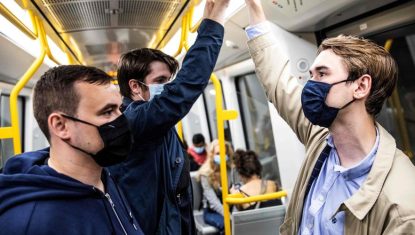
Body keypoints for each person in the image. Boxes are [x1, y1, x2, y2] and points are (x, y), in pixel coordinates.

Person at [244, 1, 415, 234]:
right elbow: (278, 82)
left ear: (360, 86)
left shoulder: (402, 203)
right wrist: (254, 9)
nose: (310, 86)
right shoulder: (320, 137)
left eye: (322, 74)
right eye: (310, 75)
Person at [107, 1, 231, 234]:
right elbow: (186, 87)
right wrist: (216, 21)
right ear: (135, 86)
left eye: (169, 81)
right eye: (161, 81)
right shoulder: (135, 122)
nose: (167, 88)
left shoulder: (155, 122)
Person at [0, 65, 143, 235]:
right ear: (61, 126)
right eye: (107, 111)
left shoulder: (103, 177)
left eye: (120, 109)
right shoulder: (34, 223)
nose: (122, 120)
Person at [198, 140, 234, 233]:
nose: (222, 156)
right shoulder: (205, 174)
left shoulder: (230, 170)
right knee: (227, 224)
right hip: (211, 211)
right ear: (212, 154)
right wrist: (228, 215)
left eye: (224, 153)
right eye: (218, 153)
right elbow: (213, 202)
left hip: (230, 208)